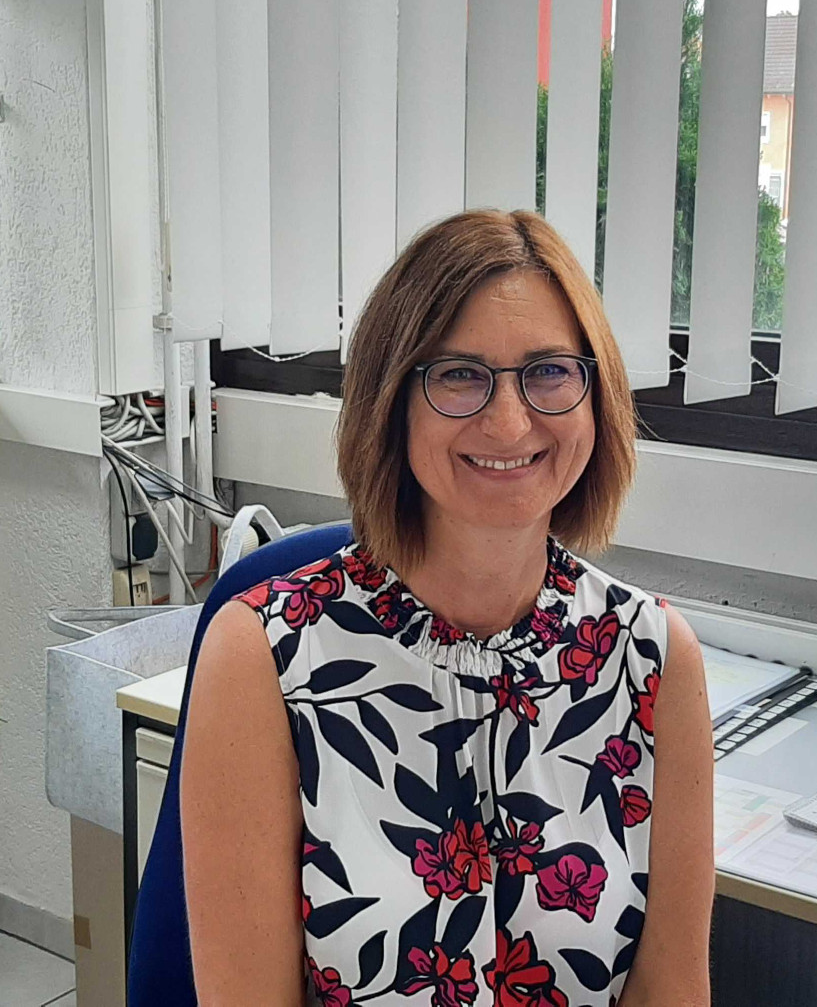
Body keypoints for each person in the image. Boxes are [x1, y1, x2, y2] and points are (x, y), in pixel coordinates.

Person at [181, 209, 714, 1006]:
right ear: (393, 399)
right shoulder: (264, 656)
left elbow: (670, 991)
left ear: (594, 395)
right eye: (459, 374)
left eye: (549, 371)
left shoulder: (654, 659)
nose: (509, 421)